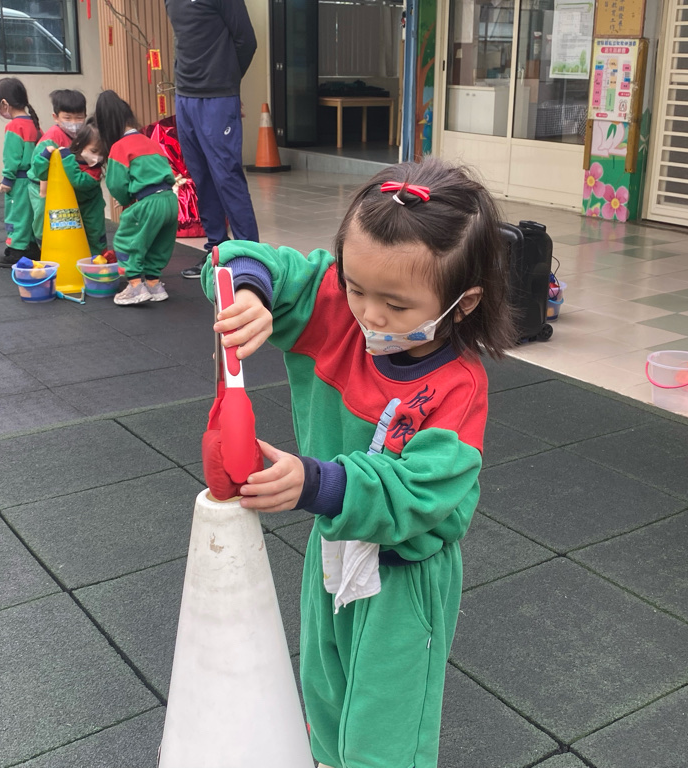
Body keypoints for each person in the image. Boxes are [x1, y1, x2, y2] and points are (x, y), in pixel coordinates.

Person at [205, 159, 516, 768]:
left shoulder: (457, 390)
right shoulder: (337, 313)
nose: (369, 315)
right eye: (355, 286)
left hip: (403, 575)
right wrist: (249, 294)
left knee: (385, 729)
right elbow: (240, 259)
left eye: (396, 305)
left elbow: (417, 494)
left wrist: (316, 483)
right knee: (324, 694)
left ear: (462, 303)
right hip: (333, 545)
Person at [164, 0, 260, 279]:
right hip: (185, 96)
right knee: (201, 177)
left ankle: (250, 257)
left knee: (227, 176)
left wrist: (227, 83)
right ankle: (215, 251)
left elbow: (247, 41)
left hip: (217, 97)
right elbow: (184, 41)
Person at [96, 90, 178, 306]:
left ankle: (135, 286)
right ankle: (154, 284)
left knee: (127, 241)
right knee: (159, 242)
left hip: (148, 202)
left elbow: (116, 183)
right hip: (170, 199)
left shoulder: (120, 147)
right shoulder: (150, 142)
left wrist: (126, 200)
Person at [0, 77, 41, 267]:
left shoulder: (14, 126)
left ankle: (17, 250)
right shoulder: (34, 124)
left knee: (16, 214)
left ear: (4, 103)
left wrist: (7, 179)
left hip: (19, 180)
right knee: (31, 214)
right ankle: (31, 247)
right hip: (34, 179)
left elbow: (11, 156)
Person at [27, 89, 86, 247]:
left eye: (79, 117)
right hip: (43, 185)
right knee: (45, 219)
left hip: (65, 184)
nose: (74, 122)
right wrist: (44, 194)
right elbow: (40, 170)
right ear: (55, 117)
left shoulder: (82, 135)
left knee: (65, 220)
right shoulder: (52, 138)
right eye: (67, 118)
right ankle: (43, 246)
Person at [55, 117, 108, 257]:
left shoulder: (94, 170)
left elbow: (79, 182)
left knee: (95, 237)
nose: (97, 157)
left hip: (92, 209)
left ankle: (99, 260)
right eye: (94, 150)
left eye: (102, 153)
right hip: (72, 207)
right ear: (80, 143)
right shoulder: (72, 158)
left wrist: (67, 159)